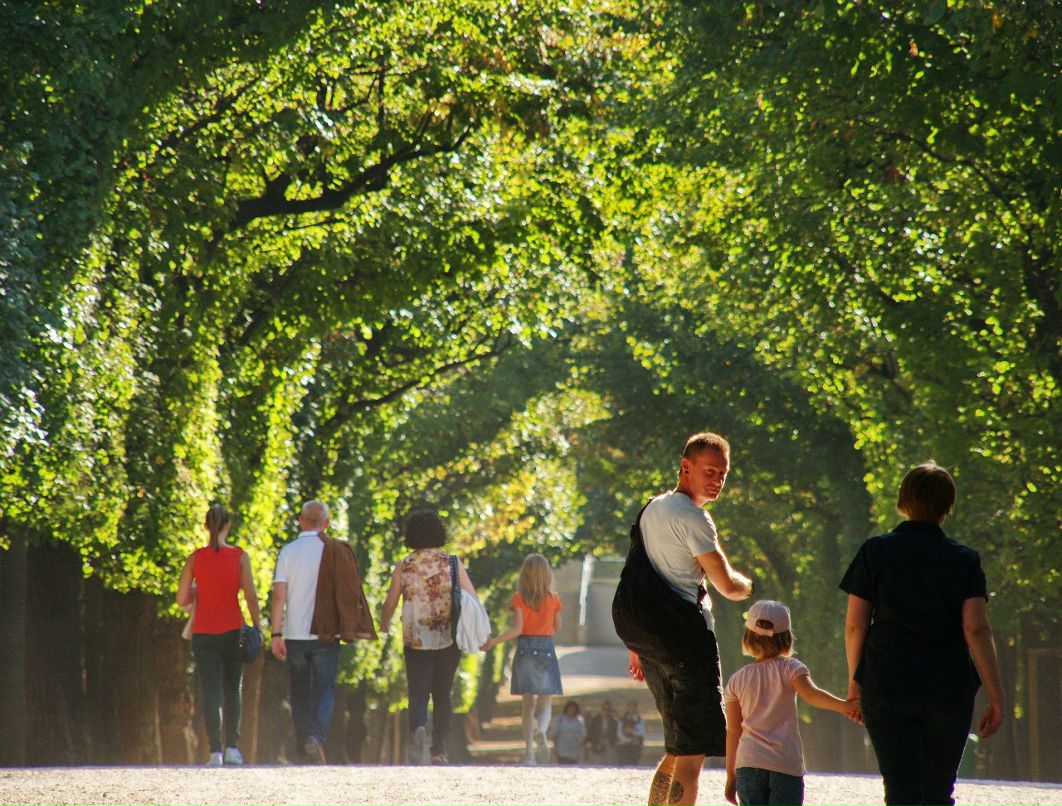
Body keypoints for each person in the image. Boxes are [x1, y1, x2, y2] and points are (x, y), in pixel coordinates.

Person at [840, 462, 1005, 806]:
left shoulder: (875, 551)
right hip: (947, 685)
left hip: (887, 680)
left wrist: (856, 681)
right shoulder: (964, 560)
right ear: (948, 506)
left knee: (900, 788)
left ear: (903, 500)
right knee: (937, 790)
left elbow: (856, 623)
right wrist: (995, 694)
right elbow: (975, 627)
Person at [617, 431, 754, 806]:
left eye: (723, 474)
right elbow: (726, 584)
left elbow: (637, 576)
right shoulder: (694, 518)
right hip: (687, 645)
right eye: (709, 471)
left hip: (650, 642)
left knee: (676, 749)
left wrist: (636, 644)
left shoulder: (651, 508)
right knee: (691, 755)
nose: (716, 480)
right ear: (685, 466)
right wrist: (749, 587)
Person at [723, 600, 858, 806]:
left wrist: (731, 776)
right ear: (786, 638)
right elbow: (812, 695)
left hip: (748, 765)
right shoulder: (791, 668)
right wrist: (846, 706)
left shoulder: (737, 680)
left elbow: (733, 731)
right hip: (784, 765)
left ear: (748, 636)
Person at [380, 507, 477, 765]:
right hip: (448, 635)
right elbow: (472, 598)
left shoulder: (405, 565)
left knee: (418, 690)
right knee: (443, 692)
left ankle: (419, 727)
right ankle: (438, 750)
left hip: (415, 637)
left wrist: (384, 623)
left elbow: (390, 601)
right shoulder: (453, 563)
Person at [176, 504, 262, 766]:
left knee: (211, 692)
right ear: (228, 526)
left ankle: (215, 752)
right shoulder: (239, 557)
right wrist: (258, 627)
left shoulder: (195, 559)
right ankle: (233, 749)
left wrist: (195, 593)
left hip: (203, 633)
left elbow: (181, 599)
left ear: (206, 526)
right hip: (233, 630)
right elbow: (250, 595)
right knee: (232, 689)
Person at [269, 500, 341, 764]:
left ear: (300, 521)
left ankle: (302, 745)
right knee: (325, 688)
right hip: (327, 632)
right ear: (327, 523)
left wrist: (276, 634)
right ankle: (315, 737)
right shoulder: (335, 551)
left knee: (299, 690)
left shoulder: (288, 552)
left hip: (295, 633)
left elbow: (279, 596)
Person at [481, 553, 564, 766]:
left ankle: (528, 754)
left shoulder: (518, 598)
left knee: (528, 706)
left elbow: (517, 629)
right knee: (546, 702)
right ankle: (541, 732)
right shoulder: (553, 599)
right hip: (546, 649)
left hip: (525, 650)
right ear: (546, 575)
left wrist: (494, 641)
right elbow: (557, 627)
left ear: (524, 575)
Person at [551, 700, 587, 765]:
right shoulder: (560, 719)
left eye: (574, 710)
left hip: (574, 751)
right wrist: (555, 749)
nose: (572, 711)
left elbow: (583, 736)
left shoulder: (579, 721)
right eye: (570, 709)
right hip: (561, 750)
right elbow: (555, 734)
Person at [585, 700, 619, 765]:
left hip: (608, 747)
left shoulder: (614, 721)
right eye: (604, 709)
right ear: (602, 709)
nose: (606, 711)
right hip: (597, 746)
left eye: (608, 709)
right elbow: (590, 732)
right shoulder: (596, 719)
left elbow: (615, 735)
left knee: (608, 765)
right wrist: (590, 742)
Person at [615, 699, 646, 766]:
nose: (631, 708)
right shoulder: (622, 719)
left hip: (636, 744)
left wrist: (632, 732)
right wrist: (629, 740)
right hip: (624, 744)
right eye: (629, 706)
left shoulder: (639, 720)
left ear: (636, 708)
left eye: (633, 706)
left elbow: (641, 732)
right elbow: (619, 734)